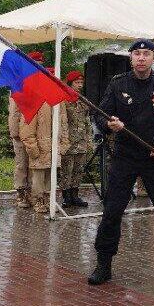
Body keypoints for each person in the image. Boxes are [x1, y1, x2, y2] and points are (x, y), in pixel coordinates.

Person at [88, 39, 154, 286]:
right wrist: (109, 125)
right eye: (137, 54)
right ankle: (104, 263)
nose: (141, 58)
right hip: (124, 157)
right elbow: (99, 115)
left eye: (146, 54)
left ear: (153, 57)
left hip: (153, 158)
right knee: (112, 211)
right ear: (131, 57)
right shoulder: (118, 84)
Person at [20, 90, 70, 214]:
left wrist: (64, 144)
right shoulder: (33, 100)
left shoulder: (60, 101)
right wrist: (33, 148)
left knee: (51, 176)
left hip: (55, 148)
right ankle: (38, 200)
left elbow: (64, 124)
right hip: (40, 147)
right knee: (38, 177)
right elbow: (27, 128)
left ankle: (49, 200)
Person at [8, 51, 47, 210]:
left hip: (37, 131)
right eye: (35, 63)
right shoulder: (18, 82)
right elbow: (14, 110)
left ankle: (33, 192)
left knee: (35, 163)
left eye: (40, 64)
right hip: (21, 130)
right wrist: (15, 132)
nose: (38, 66)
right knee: (22, 164)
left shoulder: (42, 82)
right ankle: (21, 193)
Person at [60, 71, 93, 208]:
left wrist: (89, 139)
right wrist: (63, 140)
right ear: (70, 83)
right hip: (69, 142)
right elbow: (62, 122)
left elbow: (87, 121)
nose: (80, 85)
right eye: (76, 83)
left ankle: (75, 195)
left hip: (81, 142)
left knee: (79, 170)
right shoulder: (64, 101)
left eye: (81, 83)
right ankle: (66, 197)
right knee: (67, 170)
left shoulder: (82, 100)